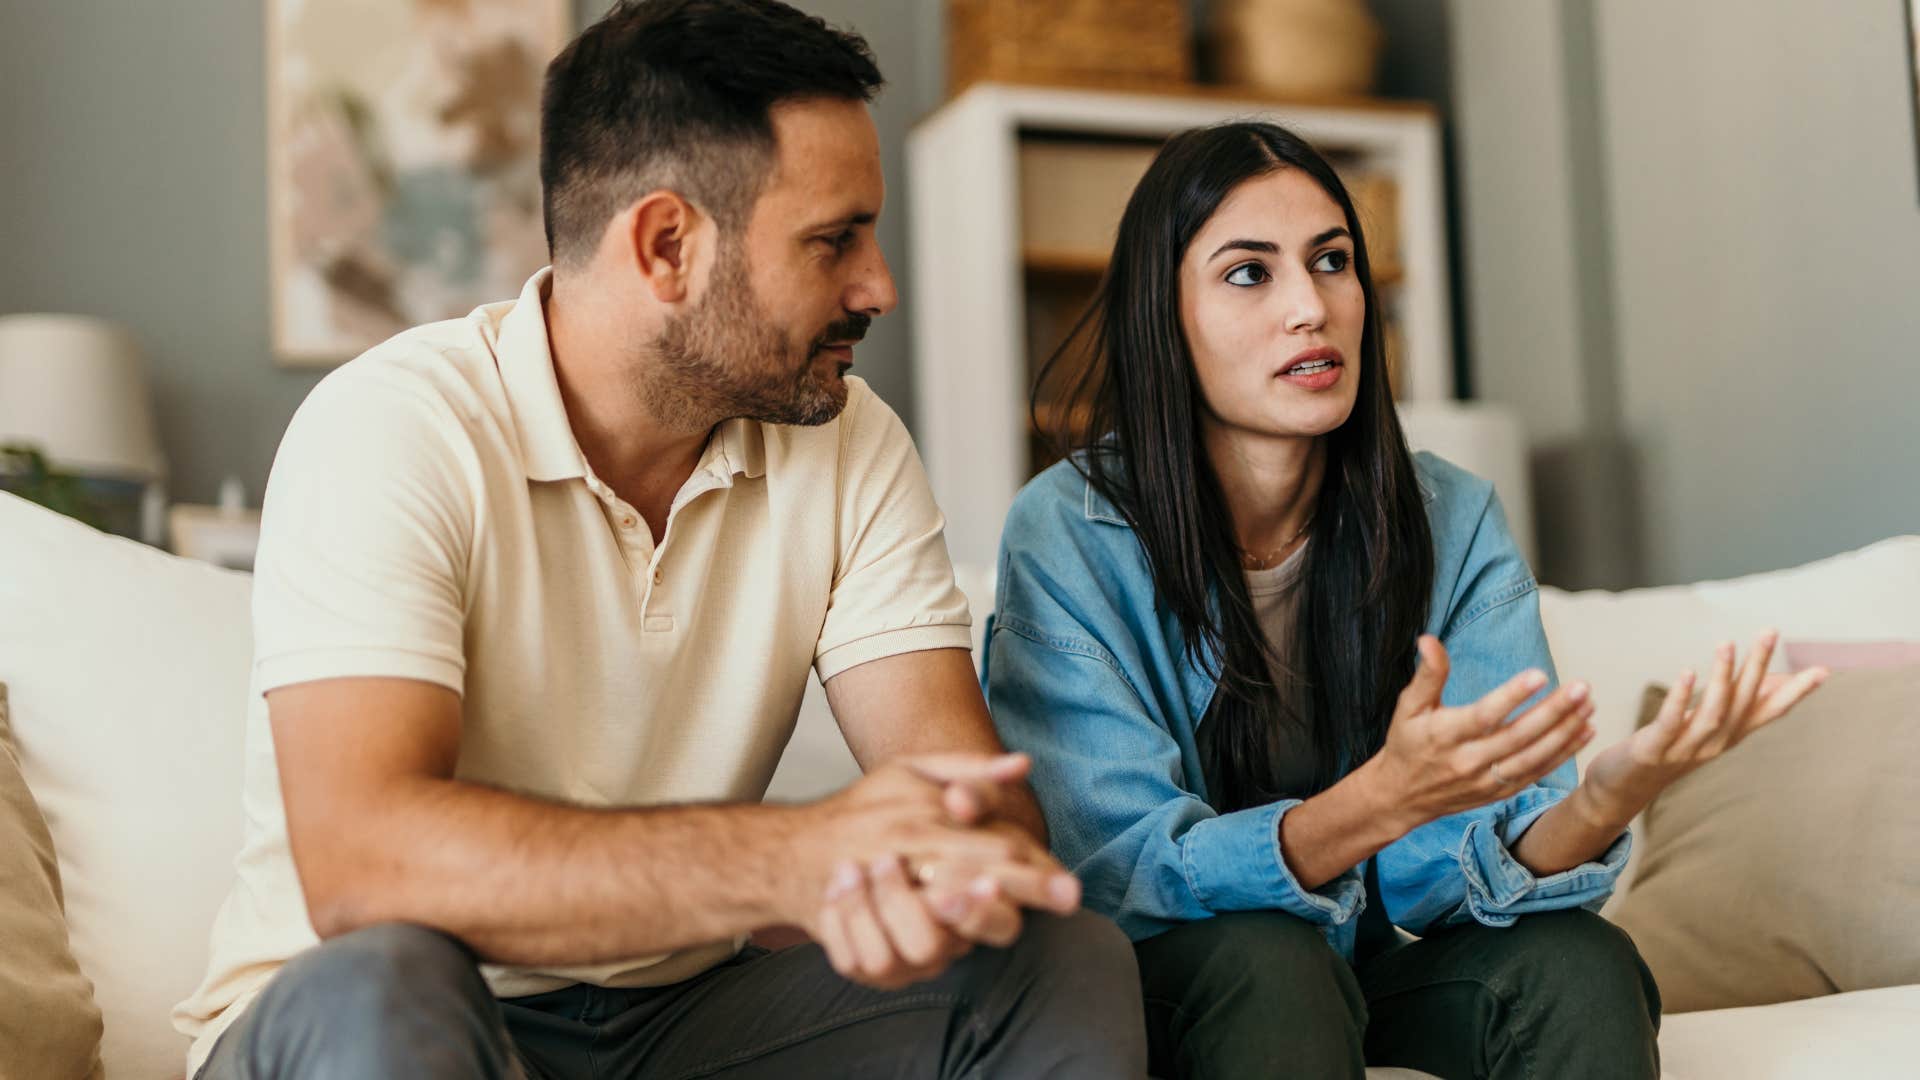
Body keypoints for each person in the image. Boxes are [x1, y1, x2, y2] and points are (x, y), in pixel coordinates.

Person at [173, 2, 1147, 1077]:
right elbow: (367, 865)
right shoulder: (394, 427)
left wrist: (924, 875)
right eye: (835, 240)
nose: (878, 287)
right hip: (381, 1015)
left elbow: (977, 816)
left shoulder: (849, 443)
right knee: (388, 978)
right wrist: (788, 860)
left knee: (1059, 960)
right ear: (667, 244)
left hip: (676, 1022)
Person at [980, 120, 1828, 1080]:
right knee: (1269, 961)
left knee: (1578, 964)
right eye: (1249, 273)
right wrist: (1376, 801)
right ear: (1160, 315)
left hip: (1355, 969)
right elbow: (1114, 872)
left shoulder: (1450, 517)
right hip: (1166, 981)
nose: (1310, 306)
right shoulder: (1067, 530)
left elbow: (1452, 877)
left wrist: (1609, 793)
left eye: (1331, 261)